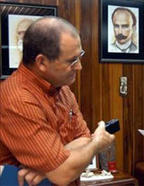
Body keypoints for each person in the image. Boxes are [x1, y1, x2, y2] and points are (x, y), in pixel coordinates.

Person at [0, 16, 115, 186]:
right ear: (42, 62)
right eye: (72, 61)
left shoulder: (64, 90)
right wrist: (97, 143)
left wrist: (48, 166)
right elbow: (63, 174)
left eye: (80, 56)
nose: (79, 67)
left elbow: (83, 138)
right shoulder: (17, 98)